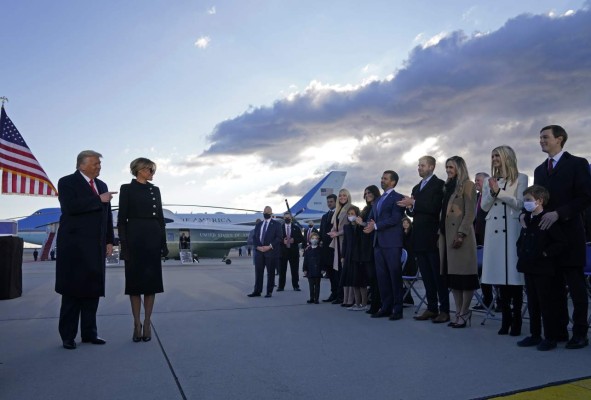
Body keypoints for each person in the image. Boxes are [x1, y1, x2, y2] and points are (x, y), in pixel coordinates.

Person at [533, 125, 591, 349]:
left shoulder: (577, 164)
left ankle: (579, 333)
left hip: (570, 235)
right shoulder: (539, 170)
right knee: (552, 288)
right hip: (549, 238)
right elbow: (538, 201)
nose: (541, 141)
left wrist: (560, 213)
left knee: (576, 288)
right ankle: (556, 333)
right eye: (540, 138)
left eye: (545, 137)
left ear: (560, 139)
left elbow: (586, 197)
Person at [55, 150, 116, 350]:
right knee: (72, 292)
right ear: (81, 165)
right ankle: (68, 336)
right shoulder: (66, 182)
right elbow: (70, 207)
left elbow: (107, 216)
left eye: (99, 163)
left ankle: (90, 333)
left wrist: (110, 240)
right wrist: (98, 199)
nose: (99, 166)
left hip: (96, 246)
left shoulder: (102, 186)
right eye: (95, 163)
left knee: (92, 290)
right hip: (74, 246)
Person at [118, 157, 168, 342]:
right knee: (134, 286)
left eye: (153, 171)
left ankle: (147, 322)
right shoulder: (127, 189)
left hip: (152, 240)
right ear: (139, 170)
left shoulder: (155, 190)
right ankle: (136, 323)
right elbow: (121, 220)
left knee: (150, 284)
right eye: (150, 170)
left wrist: (162, 244)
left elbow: (160, 219)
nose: (152, 174)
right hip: (134, 239)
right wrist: (124, 246)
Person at [480, 146, 527, 336]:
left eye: (497, 155)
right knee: (499, 276)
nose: (494, 159)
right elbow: (484, 207)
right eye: (492, 156)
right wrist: (491, 192)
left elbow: (520, 204)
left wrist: (499, 192)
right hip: (494, 232)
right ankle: (505, 317)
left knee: (514, 277)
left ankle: (516, 320)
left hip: (512, 230)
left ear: (507, 157)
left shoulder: (521, 178)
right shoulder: (488, 181)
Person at [516, 185, 567, 351]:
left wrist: (545, 254)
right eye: (525, 201)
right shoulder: (527, 219)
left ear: (540, 201)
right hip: (529, 266)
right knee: (532, 303)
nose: (526, 203)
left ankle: (550, 337)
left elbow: (560, 243)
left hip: (543, 268)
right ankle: (535, 334)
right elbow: (521, 240)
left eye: (529, 200)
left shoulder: (547, 219)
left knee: (546, 303)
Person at [398, 156, 448, 323]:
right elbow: (413, 214)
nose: (419, 168)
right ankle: (432, 307)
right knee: (426, 275)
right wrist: (410, 206)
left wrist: (415, 202)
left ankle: (445, 309)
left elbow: (435, 207)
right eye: (418, 165)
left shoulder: (439, 185)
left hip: (433, 235)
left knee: (437, 275)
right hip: (419, 236)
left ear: (432, 167)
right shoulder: (416, 187)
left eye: (422, 165)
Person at [439, 156, 479, 328]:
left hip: (460, 236)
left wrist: (461, 233)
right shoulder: (446, 187)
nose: (448, 170)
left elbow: (470, 213)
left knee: (465, 277)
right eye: (447, 167)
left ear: (460, 168)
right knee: (453, 278)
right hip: (445, 237)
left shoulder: (468, 185)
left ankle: (464, 311)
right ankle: (458, 312)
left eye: (452, 167)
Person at [364, 170, 405, 320]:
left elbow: (395, 219)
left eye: (385, 178)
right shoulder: (379, 199)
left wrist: (375, 226)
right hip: (378, 244)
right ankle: (386, 306)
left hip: (392, 243)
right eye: (381, 178)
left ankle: (398, 309)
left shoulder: (398, 198)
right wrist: (370, 225)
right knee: (382, 278)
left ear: (393, 182)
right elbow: (373, 219)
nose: (382, 180)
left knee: (394, 276)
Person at [356, 185, 381, 314]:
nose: (367, 195)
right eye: (365, 193)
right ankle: (374, 303)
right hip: (364, 246)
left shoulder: (376, 206)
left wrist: (362, 223)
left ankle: (376, 304)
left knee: (374, 276)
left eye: (369, 192)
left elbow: (373, 225)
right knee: (371, 277)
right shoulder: (367, 208)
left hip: (372, 245)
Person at [473, 172, 495, 312]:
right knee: (481, 272)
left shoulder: (490, 197)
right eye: (475, 180)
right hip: (477, 237)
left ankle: (499, 301)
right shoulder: (476, 197)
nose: (476, 182)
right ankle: (487, 300)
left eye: (478, 180)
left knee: (493, 270)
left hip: (491, 237)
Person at [248, 206, 282, 298]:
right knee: (258, 272)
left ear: (271, 213)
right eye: (264, 211)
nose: (266, 213)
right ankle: (257, 291)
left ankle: (269, 291)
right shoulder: (259, 225)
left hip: (270, 252)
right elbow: (255, 237)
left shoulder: (276, 224)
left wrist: (269, 246)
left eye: (268, 212)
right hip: (259, 252)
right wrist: (258, 247)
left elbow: (279, 238)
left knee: (270, 272)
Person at [328, 189, 353, 305]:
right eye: (340, 195)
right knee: (338, 270)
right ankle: (341, 296)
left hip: (344, 241)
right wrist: (333, 232)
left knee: (344, 270)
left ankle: (346, 297)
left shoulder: (350, 208)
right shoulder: (337, 210)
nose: (342, 197)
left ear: (348, 196)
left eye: (344, 195)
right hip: (337, 242)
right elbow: (336, 225)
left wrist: (337, 233)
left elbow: (350, 226)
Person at [341, 206, 368, 310]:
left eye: (352, 214)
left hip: (360, 257)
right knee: (353, 281)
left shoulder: (360, 226)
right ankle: (357, 303)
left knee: (361, 282)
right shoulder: (346, 227)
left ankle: (364, 304)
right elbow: (345, 242)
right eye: (349, 214)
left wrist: (360, 224)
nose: (350, 216)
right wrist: (343, 256)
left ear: (357, 214)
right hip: (349, 256)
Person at [279, 212, 303, 291]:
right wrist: (283, 241)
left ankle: (296, 286)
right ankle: (281, 286)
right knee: (282, 271)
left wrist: (294, 240)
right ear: (283, 218)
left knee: (295, 270)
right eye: (285, 217)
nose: (287, 219)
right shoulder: (280, 228)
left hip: (294, 253)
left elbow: (301, 238)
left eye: (288, 217)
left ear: (291, 218)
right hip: (283, 253)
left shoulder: (296, 228)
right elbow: (276, 239)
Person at [320, 194, 338, 302]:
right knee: (330, 273)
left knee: (336, 273)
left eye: (331, 201)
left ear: (335, 202)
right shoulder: (325, 216)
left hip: (335, 247)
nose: (329, 203)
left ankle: (338, 294)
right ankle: (333, 292)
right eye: (328, 202)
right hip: (326, 249)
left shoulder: (338, 214)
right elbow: (322, 231)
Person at [303, 232, 322, 304]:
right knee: (311, 285)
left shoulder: (320, 249)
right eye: (313, 238)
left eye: (316, 238)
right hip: (310, 270)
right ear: (310, 239)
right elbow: (305, 260)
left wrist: (323, 269)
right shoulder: (308, 249)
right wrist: (304, 269)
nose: (314, 240)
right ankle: (311, 298)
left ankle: (316, 299)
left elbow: (323, 260)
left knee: (317, 285)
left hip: (318, 270)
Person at [401, 217, 416, 306]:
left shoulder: (412, 234)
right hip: (403, 259)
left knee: (407, 280)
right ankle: (407, 297)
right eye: (404, 223)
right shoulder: (401, 234)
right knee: (403, 281)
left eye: (407, 223)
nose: (405, 224)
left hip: (410, 259)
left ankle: (408, 297)